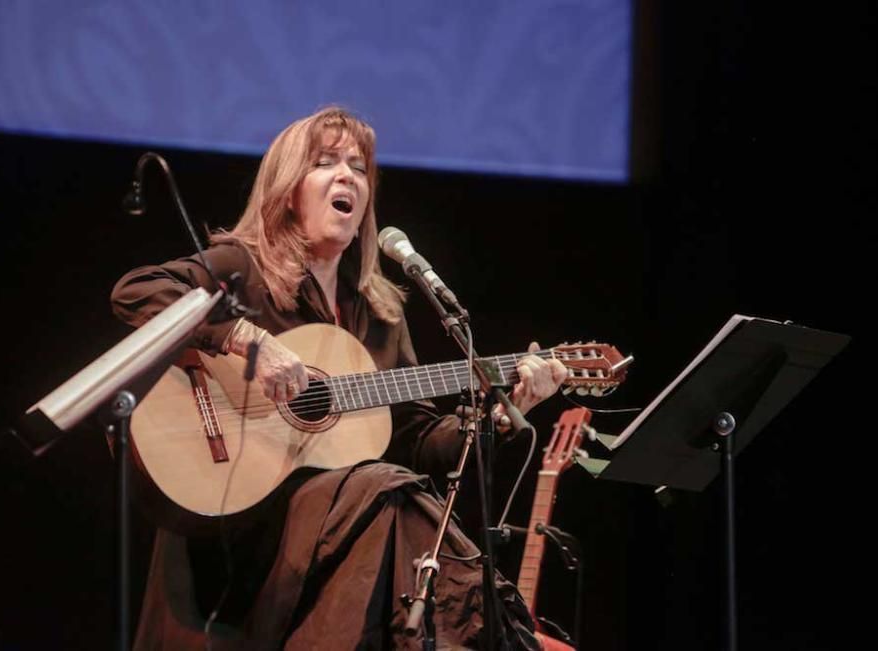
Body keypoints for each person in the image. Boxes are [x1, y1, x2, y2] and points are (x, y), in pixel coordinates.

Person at [111, 106, 567, 650]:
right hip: (245, 529)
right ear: (288, 189)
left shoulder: (380, 313)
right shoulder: (243, 268)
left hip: (336, 534)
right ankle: (493, 629)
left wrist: (499, 412)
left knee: (394, 489)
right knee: (385, 491)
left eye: (358, 166)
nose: (348, 175)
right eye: (326, 163)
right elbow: (136, 291)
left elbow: (415, 441)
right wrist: (244, 339)